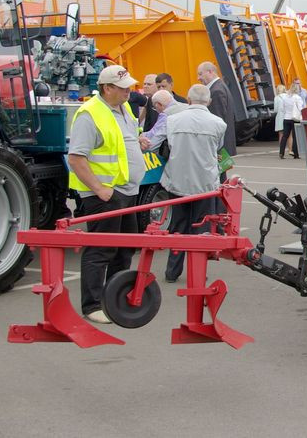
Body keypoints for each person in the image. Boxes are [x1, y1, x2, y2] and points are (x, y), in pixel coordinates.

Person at [67, 64, 148, 324]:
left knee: (124, 249)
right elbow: (77, 158)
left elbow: (124, 140)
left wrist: (139, 141)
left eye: (130, 87)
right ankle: (91, 306)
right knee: (100, 250)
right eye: (123, 88)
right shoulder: (90, 114)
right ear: (107, 88)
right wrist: (100, 190)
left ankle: (113, 297)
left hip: (126, 191)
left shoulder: (123, 109)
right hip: (105, 195)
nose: (129, 92)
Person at [160, 84, 227, 282]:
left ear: (188, 100)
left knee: (177, 226)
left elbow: (169, 144)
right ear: (209, 102)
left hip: (177, 180)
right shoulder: (218, 123)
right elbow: (218, 147)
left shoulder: (172, 120)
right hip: (205, 184)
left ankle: (172, 271)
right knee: (201, 228)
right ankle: (197, 272)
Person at [197, 61, 236, 157]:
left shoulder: (216, 91)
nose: (198, 78)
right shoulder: (220, 87)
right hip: (222, 145)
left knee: (217, 172)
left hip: (219, 147)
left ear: (210, 72)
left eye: (200, 74)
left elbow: (217, 122)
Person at [277, 82, 304, 159]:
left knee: (285, 136)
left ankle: (281, 153)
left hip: (286, 118)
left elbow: (282, 108)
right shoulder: (297, 98)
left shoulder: (285, 97)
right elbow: (300, 108)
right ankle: (296, 154)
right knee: (295, 137)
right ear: (297, 89)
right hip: (295, 119)